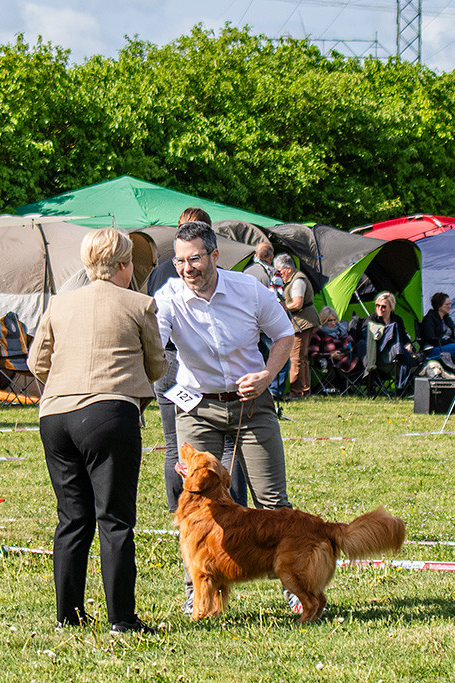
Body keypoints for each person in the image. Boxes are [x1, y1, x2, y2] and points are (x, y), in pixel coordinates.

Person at [154, 221, 300, 613]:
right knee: (195, 503)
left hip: (252, 405)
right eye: (180, 261)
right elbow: (153, 342)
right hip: (197, 407)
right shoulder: (168, 297)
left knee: (272, 500)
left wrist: (267, 374)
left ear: (215, 255)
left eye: (195, 259)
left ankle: (294, 587)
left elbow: (284, 335)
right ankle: (197, 590)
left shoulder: (249, 289)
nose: (187, 269)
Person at [28, 228, 168, 634]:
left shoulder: (59, 303)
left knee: (72, 519)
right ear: (124, 265)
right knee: (115, 520)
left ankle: (67, 616)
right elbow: (157, 365)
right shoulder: (140, 304)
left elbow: (37, 363)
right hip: (109, 413)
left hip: (55, 416)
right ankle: (122, 619)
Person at [157, 207, 249, 513]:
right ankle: (231, 511)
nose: (188, 267)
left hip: (166, 363)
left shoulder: (160, 270)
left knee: (176, 446)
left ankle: (182, 513)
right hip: (186, 367)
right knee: (225, 445)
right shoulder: (211, 270)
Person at [244, 241, 289, 397]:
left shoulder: (246, 272)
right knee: (280, 356)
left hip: (250, 322)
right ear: (271, 256)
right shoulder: (273, 273)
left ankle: (257, 388)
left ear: (255, 255)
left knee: (257, 356)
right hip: (268, 322)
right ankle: (275, 391)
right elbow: (277, 297)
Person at [275, 254, 319, 399]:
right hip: (305, 321)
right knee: (302, 358)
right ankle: (305, 390)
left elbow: (297, 303)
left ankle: (296, 392)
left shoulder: (298, 281)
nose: (280, 275)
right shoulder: (296, 279)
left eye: (280, 272)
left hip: (302, 322)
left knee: (296, 358)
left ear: (288, 268)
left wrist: (279, 308)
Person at [363, 291, 416, 392]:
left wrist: (408, 344)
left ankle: (403, 387)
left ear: (391, 308)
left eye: (383, 306)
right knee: (405, 354)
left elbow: (404, 337)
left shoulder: (397, 319)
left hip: (398, 353)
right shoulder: (372, 319)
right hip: (380, 353)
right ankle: (402, 388)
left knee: (408, 355)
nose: (380, 308)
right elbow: (367, 340)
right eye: (377, 305)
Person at [309, 306, 358, 375]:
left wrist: (347, 348)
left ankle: (369, 369)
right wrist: (331, 356)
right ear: (323, 320)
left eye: (334, 320)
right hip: (333, 364)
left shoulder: (341, 330)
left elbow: (352, 343)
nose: (333, 323)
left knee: (361, 344)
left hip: (348, 357)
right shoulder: (318, 334)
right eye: (330, 320)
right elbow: (312, 355)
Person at [421, 291, 455, 363]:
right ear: (439, 306)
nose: (450, 306)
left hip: (446, 346)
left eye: (450, 304)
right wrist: (449, 341)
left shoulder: (447, 319)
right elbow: (431, 338)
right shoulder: (429, 319)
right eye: (447, 304)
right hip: (433, 348)